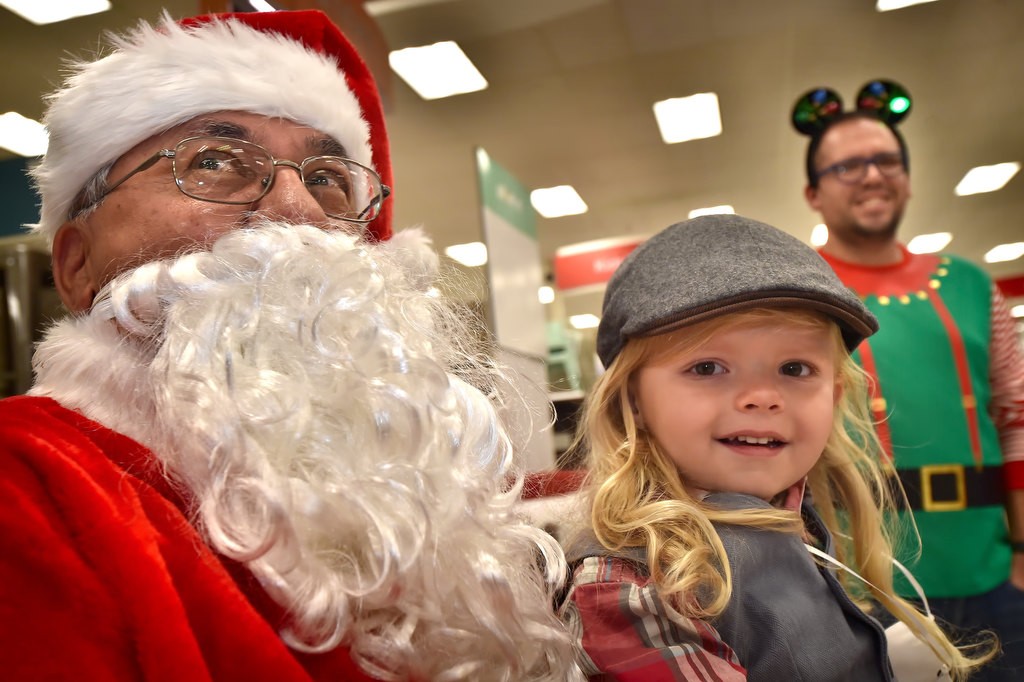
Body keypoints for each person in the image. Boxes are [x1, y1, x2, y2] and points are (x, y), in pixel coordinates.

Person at [0, 10, 580, 681]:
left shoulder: (412, 481)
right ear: (77, 266)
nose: (298, 207)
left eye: (329, 178)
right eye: (212, 162)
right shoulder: (31, 481)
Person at [559, 214, 994, 680]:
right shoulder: (631, 588)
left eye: (795, 369)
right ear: (633, 400)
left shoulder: (798, 520)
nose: (762, 397)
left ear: (835, 396)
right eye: (707, 367)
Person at [798, 85, 1024, 681]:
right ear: (814, 193)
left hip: (992, 575)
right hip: (860, 586)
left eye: (887, 161)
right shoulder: (797, 293)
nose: (872, 175)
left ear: (908, 178)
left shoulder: (973, 286)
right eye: (847, 166)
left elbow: (1017, 421)